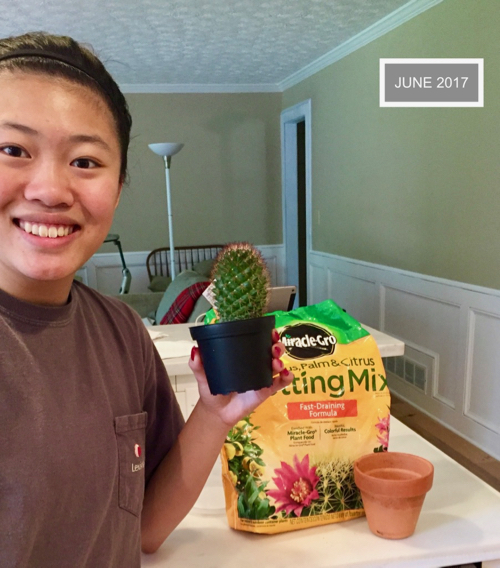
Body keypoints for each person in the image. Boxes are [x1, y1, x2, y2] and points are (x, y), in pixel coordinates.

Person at [0, 32, 293, 567]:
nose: (50, 188)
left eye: (85, 161)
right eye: (12, 150)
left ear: (117, 185)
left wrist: (214, 414)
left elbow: (145, 528)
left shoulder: (121, 331)